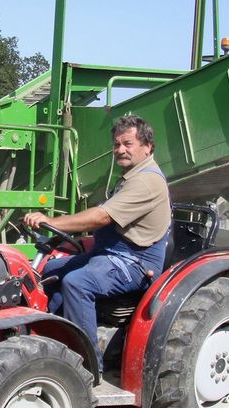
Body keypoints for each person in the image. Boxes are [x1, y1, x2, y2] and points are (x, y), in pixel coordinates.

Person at [23, 115, 170, 371]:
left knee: (78, 282)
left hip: (135, 262)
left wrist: (51, 221)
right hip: (110, 253)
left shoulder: (147, 180)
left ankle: (87, 367)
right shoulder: (131, 176)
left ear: (147, 146)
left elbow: (102, 216)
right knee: (49, 271)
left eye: (128, 143)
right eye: (116, 144)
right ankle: (50, 343)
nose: (120, 150)